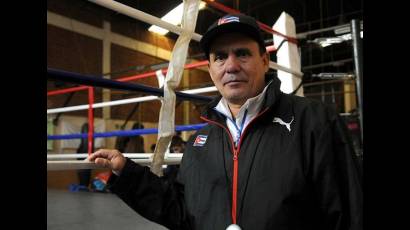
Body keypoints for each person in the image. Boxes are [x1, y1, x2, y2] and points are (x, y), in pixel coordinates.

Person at [87, 14, 362, 230]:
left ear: (265, 61)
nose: (231, 66)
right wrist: (128, 172)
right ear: (210, 69)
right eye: (220, 57)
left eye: (242, 53)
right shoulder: (200, 141)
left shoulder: (314, 121)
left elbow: (350, 215)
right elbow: (184, 212)